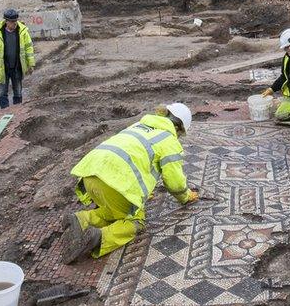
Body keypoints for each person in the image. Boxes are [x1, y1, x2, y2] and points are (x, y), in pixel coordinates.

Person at [63, 103, 200, 262]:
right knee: (135, 222)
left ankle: (82, 219)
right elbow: (174, 183)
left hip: (89, 175)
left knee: (114, 211)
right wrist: (186, 197)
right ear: (179, 129)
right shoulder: (169, 140)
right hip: (114, 184)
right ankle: (98, 238)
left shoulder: (139, 125)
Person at [0, 9, 35, 109]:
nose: (14, 24)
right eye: (12, 22)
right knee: (2, 92)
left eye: (15, 21)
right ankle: (5, 112)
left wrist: (31, 64)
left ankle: (18, 112)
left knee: (18, 91)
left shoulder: (22, 32)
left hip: (17, 66)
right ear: (6, 21)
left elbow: (29, 48)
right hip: (2, 67)